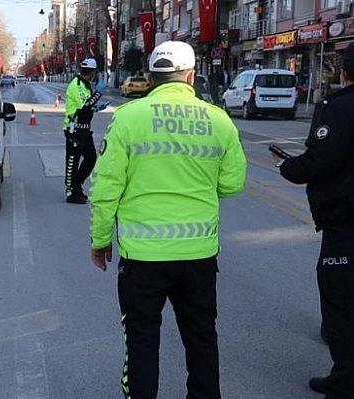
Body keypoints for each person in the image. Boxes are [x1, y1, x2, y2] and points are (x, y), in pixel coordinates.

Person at [89, 41, 247, 398]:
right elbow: (232, 184)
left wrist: (100, 240)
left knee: (142, 340)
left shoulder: (128, 117)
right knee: (202, 337)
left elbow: (105, 190)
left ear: (150, 78)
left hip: (143, 258)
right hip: (198, 254)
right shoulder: (218, 119)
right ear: (190, 76)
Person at [273, 41, 354, 398]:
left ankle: (346, 381)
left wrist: (288, 166)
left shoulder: (339, 108)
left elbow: (322, 159)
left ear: (344, 71)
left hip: (346, 221)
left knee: (341, 300)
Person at [62, 58, 108, 204]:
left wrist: (97, 107)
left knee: (91, 158)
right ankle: (71, 192)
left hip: (84, 129)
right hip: (74, 129)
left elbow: (87, 106)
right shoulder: (76, 85)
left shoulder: (85, 85)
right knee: (72, 161)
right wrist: (99, 93)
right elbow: (84, 106)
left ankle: (77, 185)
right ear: (92, 73)